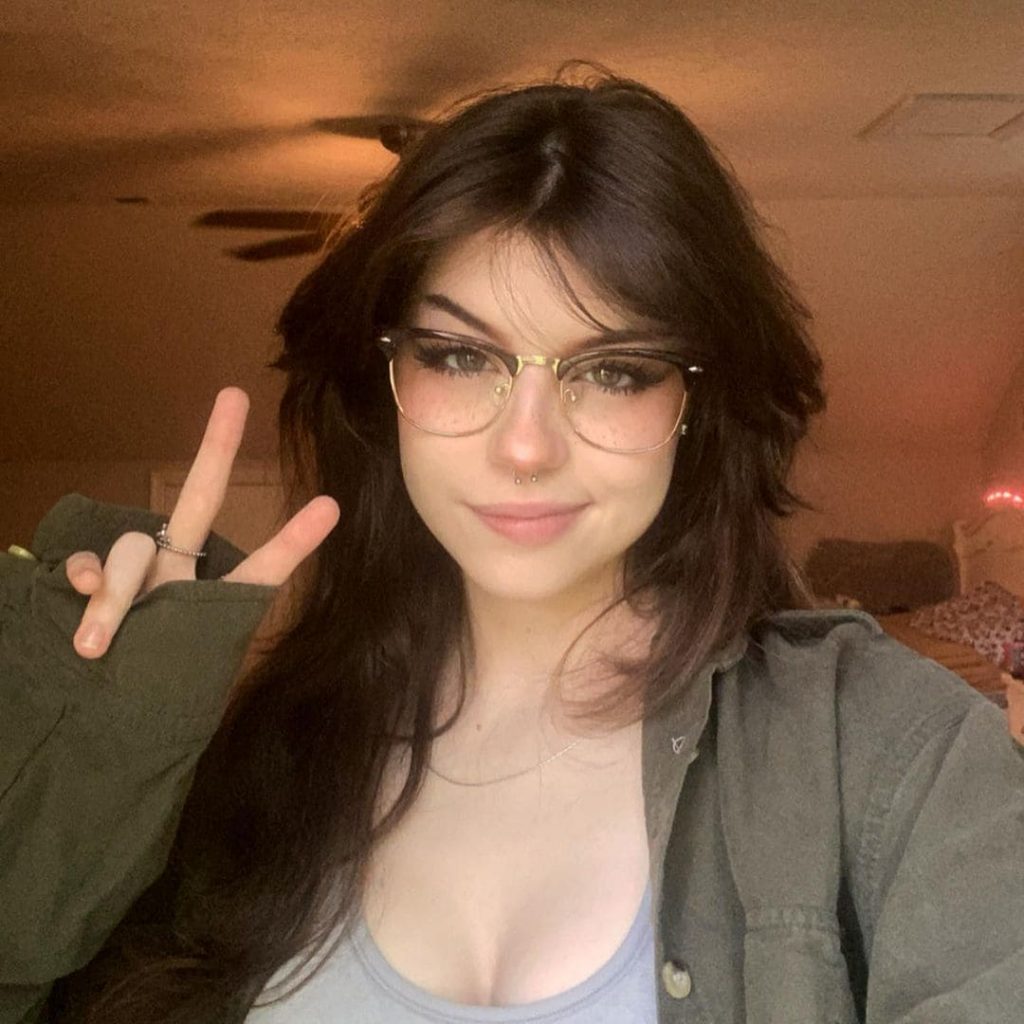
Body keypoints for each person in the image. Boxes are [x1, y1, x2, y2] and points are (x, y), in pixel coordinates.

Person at [1, 62, 1022, 1024]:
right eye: (458, 356)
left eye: (614, 370)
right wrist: (97, 744)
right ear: (383, 388)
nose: (524, 446)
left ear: (697, 407)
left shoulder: (897, 757)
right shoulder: (250, 748)